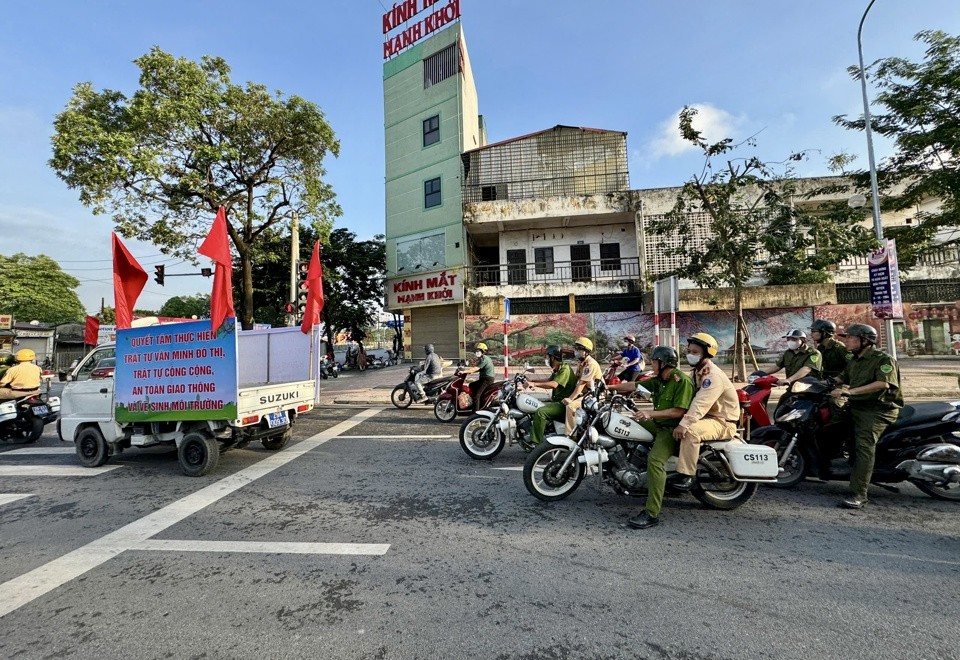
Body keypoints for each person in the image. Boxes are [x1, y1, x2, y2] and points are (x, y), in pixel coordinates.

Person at [609, 346, 695, 529]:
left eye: (654, 361)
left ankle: (652, 513)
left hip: (671, 430)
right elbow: (634, 385)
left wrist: (651, 414)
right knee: (625, 423)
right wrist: (609, 387)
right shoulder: (660, 380)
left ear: (664, 363)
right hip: (658, 424)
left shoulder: (681, 381)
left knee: (655, 461)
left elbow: (678, 411)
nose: (651, 364)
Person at [829, 323, 903, 509]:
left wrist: (850, 392)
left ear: (864, 341)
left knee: (864, 446)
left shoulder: (883, 359)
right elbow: (840, 378)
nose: (845, 341)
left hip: (877, 410)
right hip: (858, 406)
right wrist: (819, 383)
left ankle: (859, 494)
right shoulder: (855, 360)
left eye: (850, 338)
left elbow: (882, 384)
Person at [670, 332, 741, 491]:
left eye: (695, 352)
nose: (690, 355)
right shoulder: (697, 372)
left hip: (722, 422)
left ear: (706, 354)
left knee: (690, 432)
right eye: (689, 351)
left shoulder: (712, 376)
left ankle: (687, 475)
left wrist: (684, 424)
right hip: (708, 418)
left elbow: (700, 403)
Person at [527, 345, 576, 445]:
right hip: (557, 401)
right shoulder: (558, 369)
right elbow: (549, 380)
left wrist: (534, 384)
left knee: (541, 412)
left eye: (547, 357)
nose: (546, 359)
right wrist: (532, 380)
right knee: (534, 404)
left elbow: (554, 384)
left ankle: (536, 444)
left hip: (563, 405)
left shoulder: (565, 369)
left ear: (553, 357)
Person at [562, 337, 604, 433]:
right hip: (586, 394)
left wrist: (571, 398)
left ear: (586, 351)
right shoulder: (581, 363)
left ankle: (570, 436)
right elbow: (577, 380)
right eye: (575, 348)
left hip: (595, 395)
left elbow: (581, 384)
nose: (575, 351)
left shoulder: (591, 364)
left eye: (579, 349)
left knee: (571, 406)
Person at [461, 342, 495, 412]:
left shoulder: (484, 359)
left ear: (483, 352)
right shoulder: (483, 359)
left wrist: (464, 372)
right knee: (471, 385)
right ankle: (477, 402)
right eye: (476, 351)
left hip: (487, 379)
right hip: (484, 379)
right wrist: (468, 370)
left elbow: (475, 368)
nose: (477, 352)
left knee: (477, 396)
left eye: (479, 351)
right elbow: (478, 369)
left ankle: (476, 413)